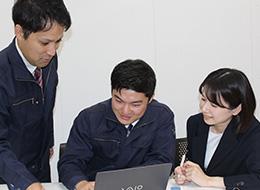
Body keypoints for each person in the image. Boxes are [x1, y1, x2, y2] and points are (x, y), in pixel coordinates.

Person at [58, 59, 176, 190]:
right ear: (112, 92)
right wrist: (81, 184)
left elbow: (162, 161)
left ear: (150, 99)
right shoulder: (89, 118)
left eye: (135, 104)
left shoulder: (161, 116)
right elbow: (70, 163)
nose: (125, 111)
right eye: (118, 100)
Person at [0, 0, 71, 189]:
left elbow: (45, 105)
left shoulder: (47, 61)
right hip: (7, 178)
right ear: (19, 31)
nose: (52, 51)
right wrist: (26, 182)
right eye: (45, 42)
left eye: (58, 42)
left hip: (39, 171)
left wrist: (48, 141)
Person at [174, 68, 260, 189]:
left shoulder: (253, 134)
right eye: (203, 99)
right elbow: (194, 165)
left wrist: (209, 181)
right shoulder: (195, 123)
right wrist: (184, 172)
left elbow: (257, 179)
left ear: (236, 109)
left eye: (214, 105)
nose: (204, 108)